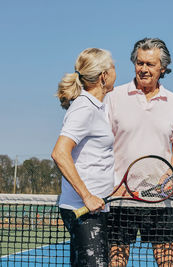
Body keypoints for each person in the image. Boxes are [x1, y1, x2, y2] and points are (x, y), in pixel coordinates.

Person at [105, 38, 173, 267]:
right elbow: (103, 144)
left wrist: (169, 175)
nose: (143, 69)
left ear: (162, 68)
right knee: (116, 263)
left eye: (150, 64)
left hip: (160, 200)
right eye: (139, 63)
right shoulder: (114, 97)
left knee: (167, 263)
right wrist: (112, 183)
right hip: (120, 198)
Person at [51, 48, 116, 267]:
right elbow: (60, 153)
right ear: (103, 76)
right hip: (85, 211)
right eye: (113, 67)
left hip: (93, 210)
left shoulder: (97, 107)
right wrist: (87, 196)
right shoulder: (84, 107)